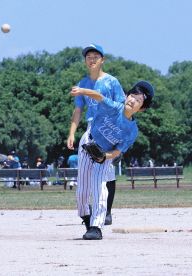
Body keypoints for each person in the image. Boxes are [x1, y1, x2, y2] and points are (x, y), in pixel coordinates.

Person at [70, 80, 154, 240]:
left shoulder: (132, 131)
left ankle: (96, 227)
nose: (133, 100)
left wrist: (103, 157)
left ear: (141, 109)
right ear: (126, 96)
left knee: (99, 186)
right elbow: (99, 96)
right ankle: (86, 217)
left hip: (104, 155)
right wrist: (82, 90)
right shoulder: (114, 107)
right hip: (88, 141)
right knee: (82, 192)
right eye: (132, 95)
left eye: (138, 100)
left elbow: (117, 151)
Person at [67, 44, 126, 227]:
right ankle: (90, 212)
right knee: (89, 173)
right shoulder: (83, 82)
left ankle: (106, 212)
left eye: (95, 56)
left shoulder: (111, 81)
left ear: (102, 60)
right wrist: (72, 133)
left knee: (106, 171)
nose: (91, 59)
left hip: (108, 129)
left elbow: (122, 107)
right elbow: (78, 110)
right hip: (91, 128)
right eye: (88, 57)